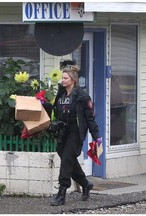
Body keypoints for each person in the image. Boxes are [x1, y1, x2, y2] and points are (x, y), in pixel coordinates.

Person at [49, 64, 100, 206]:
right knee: (69, 160)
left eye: (65, 78)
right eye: (62, 78)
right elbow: (55, 110)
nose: (62, 80)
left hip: (75, 132)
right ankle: (85, 183)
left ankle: (61, 193)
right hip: (63, 131)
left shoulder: (82, 96)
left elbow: (90, 118)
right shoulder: (61, 94)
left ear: (73, 80)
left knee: (66, 160)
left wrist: (96, 137)